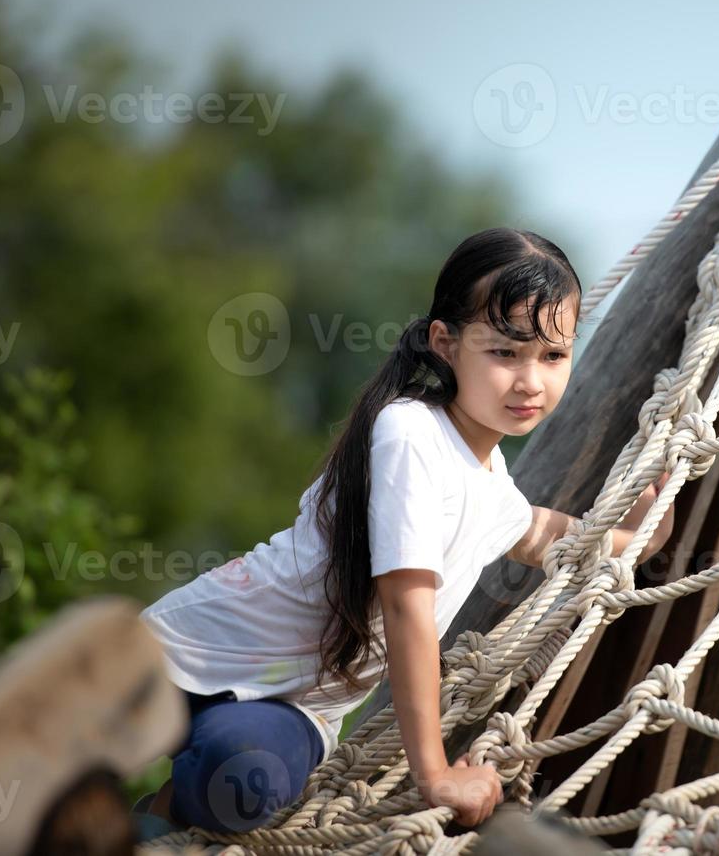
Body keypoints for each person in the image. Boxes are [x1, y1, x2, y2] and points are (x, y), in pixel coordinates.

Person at [134, 228, 677, 836]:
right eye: (504, 352)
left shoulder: (493, 482)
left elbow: (546, 535)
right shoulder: (409, 432)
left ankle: (154, 819)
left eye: (553, 356)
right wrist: (436, 775)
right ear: (445, 344)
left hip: (291, 710)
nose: (531, 381)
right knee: (45, 760)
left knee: (239, 778)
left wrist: (644, 538)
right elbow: (405, 604)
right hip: (190, 652)